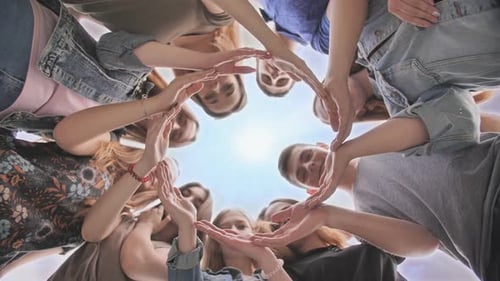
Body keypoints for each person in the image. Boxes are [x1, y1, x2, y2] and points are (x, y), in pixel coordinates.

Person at [0, 69, 216, 277]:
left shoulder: (120, 217)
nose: (160, 172)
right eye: (163, 165)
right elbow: (65, 134)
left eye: (168, 176)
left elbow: (86, 235)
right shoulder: (110, 149)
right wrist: (149, 149)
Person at [273, 129, 500, 280]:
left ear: (322, 145)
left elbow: (448, 122)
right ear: (312, 191)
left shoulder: (380, 141)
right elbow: (425, 243)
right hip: (487, 243)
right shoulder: (365, 220)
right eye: (303, 174)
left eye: (308, 155)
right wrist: (327, 215)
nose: (311, 165)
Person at [59, 0, 328, 118]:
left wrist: (200, 64)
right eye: (228, 87)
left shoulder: (154, 53)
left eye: (210, 96)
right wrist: (273, 45)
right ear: (236, 71)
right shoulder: (214, 19)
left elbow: (109, 50)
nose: (214, 86)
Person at [258, 199, 405, 281]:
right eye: (275, 225)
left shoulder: (362, 244)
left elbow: (404, 241)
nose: (284, 221)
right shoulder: (290, 272)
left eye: (286, 211)